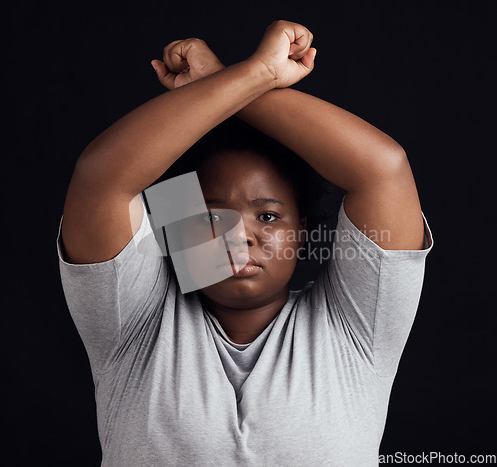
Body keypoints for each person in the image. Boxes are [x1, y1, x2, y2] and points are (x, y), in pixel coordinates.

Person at [56, 20, 434, 466]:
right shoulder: (134, 328)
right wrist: (255, 75)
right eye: (211, 216)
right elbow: (102, 180)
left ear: (303, 232)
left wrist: (224, 79)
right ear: (176, 226)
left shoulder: (355, 329)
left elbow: (382, 169)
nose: (239, 235)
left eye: (269, 216)